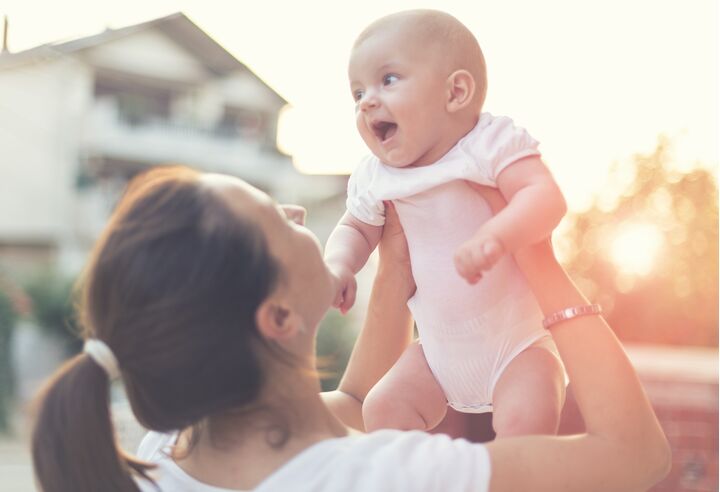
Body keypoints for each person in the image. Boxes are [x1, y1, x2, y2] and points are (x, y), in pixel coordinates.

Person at [31, 166, 670, 492]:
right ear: (278, 318)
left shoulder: (164, 450)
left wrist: (394, 267)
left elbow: (358, 405)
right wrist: (538, 262)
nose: (296, 210)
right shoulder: (390, 477)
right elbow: (636, 454)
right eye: (275, 220)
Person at [324, 9, 567, 435]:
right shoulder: (377, 175)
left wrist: (499, 233)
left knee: (526, 421)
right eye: (357, 92)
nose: (366, 101)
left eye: (388, 80)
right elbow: (354, 228)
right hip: (437, 353)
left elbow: (545, 198)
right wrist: (340, 265)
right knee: (382, 408)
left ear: (455, 92)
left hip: (518, 345)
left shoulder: (487, 144)